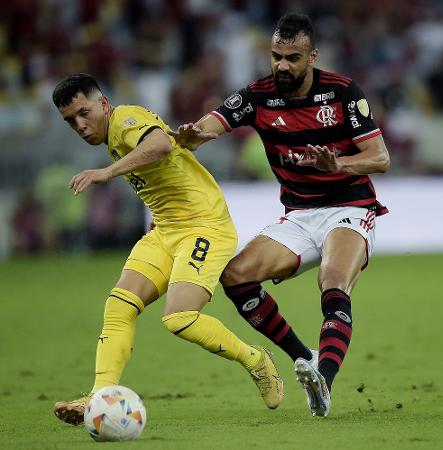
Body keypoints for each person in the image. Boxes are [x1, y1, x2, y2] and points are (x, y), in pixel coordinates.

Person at [169, 13, 390, 417]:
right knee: (235, 275)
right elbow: (215, 121)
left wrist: (339, 166)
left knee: (333, 281)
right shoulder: (259, 94)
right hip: (300, 214)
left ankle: (323, 378)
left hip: (350, 207)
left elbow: (380, 158)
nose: (282, 66)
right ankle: (302, 355)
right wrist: (194, 135)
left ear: (312, 56)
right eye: (276, 57)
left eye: (292, 58)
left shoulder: (342, 92)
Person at [51, 73, 284, 426]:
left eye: (84, 113)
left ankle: (256, 360)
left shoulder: (126, 118)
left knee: (178, 318)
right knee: (119, 306)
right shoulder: (112, 138)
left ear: (103, 103)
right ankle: (98, 398)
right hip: (166, 230)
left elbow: (159, 145)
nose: (80, 126)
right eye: (71, 121)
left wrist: (106, 173)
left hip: (204, 226)